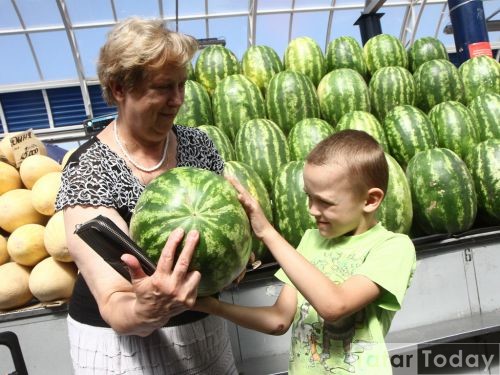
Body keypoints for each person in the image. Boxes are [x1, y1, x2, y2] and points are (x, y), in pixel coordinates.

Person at [55, 17, 238, 374]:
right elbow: (115, 304)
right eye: (163, 87)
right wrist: (148, 308)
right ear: (119, 88)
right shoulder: (89, 169)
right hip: (122, 348)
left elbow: (227, 229)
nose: (178, 100)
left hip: (203, 332)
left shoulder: (198, 145)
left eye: (182, 85)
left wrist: (237, 254)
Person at [195, 129, 417, 374]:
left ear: (370, 200)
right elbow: (278, 320)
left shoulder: (393, 247)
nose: (312, 209)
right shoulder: (310, 241)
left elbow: (334, 306)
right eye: (309, 197)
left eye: (325, 202)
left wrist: (267, 232)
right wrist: (210, 306)